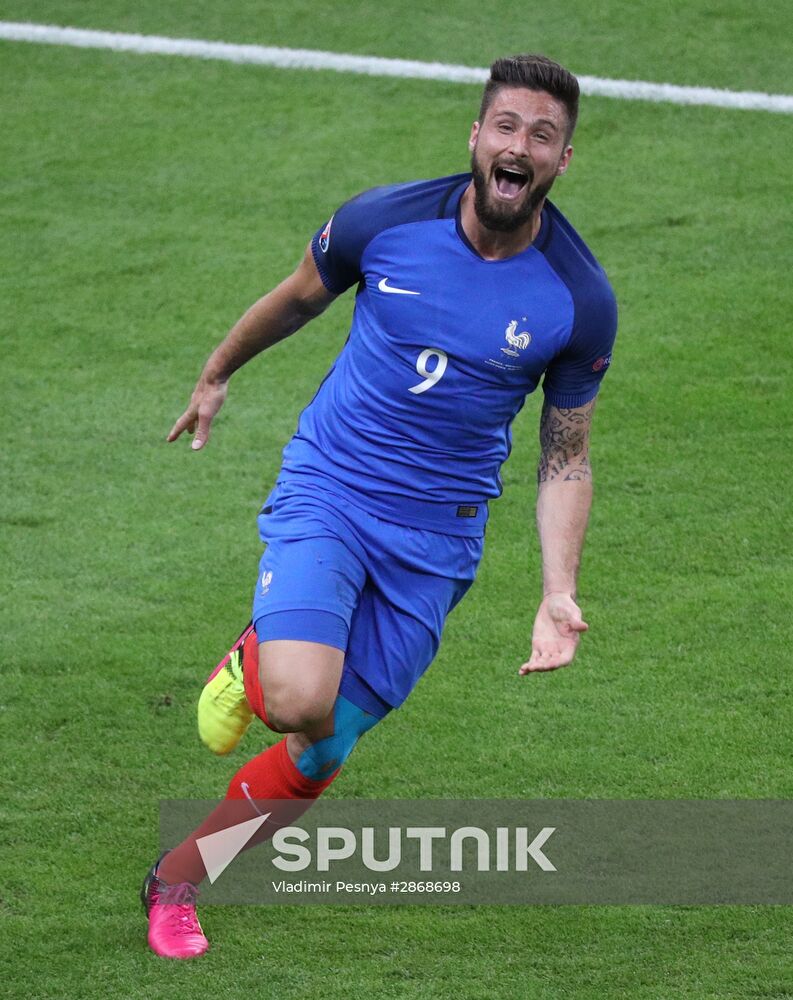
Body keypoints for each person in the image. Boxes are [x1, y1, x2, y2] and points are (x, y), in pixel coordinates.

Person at [141, 53, 617, 958]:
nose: (520, 146)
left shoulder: (577, 300)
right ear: (476, 138)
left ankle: (177, 880)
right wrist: (214, 375)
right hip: (334, 486)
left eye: (543, 136)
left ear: (561, 163)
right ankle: (261, 656)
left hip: (436, 543)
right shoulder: (385, 221)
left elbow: (566, 458)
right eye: (506, 126)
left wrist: (557, 589)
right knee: (294, 701)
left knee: (321, 752)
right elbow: (293, 300)